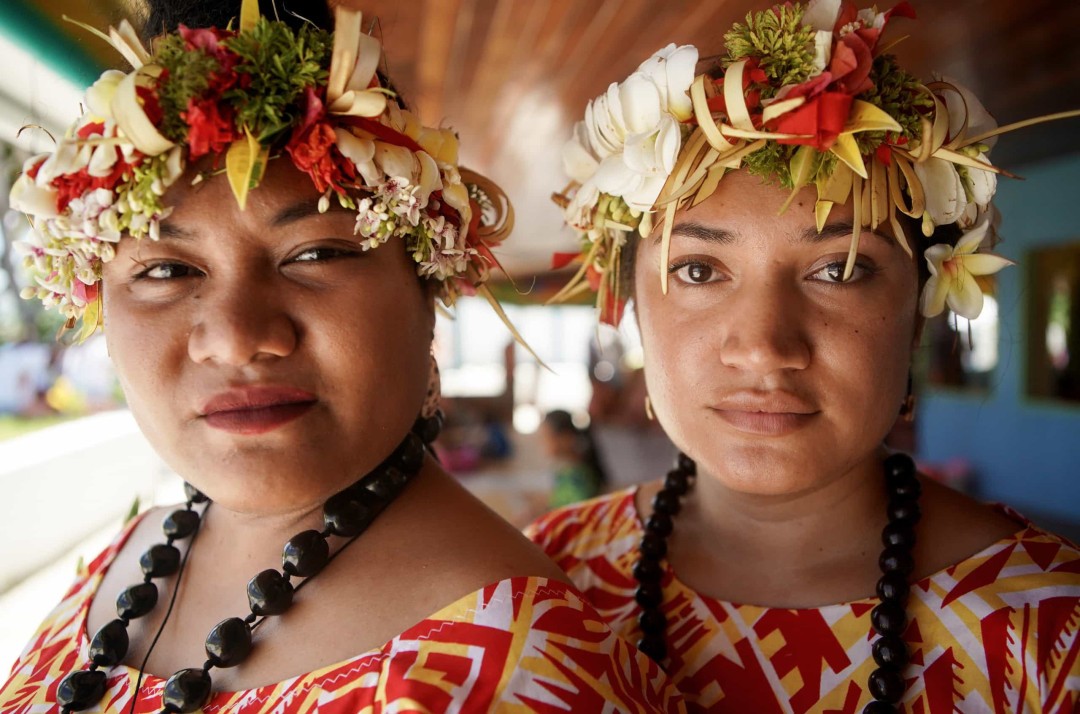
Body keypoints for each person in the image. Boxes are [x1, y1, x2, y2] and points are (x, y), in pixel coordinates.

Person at [0, 1, 684, 711]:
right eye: (166, 270)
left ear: (430, 288)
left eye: (317, 253)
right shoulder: (127, 558)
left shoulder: (517, 669)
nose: (237, 336)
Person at [527, 1, 1080, 712]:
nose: (764, 347)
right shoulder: (542, 584)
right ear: (632, 304)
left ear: (918, 311)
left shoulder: (1049, 630)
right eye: (698, 270)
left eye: (840, 270)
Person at [540, 409, 607, 509]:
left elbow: (575, 514)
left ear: (566, 437)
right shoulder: (564, 474)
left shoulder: (579, 478)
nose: (541, 443)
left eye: (546, 437)